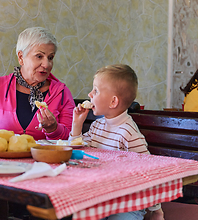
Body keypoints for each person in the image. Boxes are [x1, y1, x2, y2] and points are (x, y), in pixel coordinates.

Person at [68, 64, 164, 220]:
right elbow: (76, 154)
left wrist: (156, 211)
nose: (89, 94)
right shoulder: (97, 126)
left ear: (113, 102)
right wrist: (77, 125)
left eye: (96, 90)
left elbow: (149, 171)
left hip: (128, 203)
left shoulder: (128, 133)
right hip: (102, 198)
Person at [0, 27, 75, 140]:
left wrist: (53, 129)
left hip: (45, 162)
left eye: (50, 57)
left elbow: (71, 139)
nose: (47, 64)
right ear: (21, 57)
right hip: (3, 162)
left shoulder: (62, 93)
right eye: (39, 56)